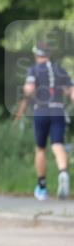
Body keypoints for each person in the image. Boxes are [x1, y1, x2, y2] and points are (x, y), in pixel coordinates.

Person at [22, 43, 73, 200]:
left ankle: (42, 186)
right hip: (58, 110)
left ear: (38, 55)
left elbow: (29, 89)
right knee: (58, 145)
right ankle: (63, 172)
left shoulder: (34, 70)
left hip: (41, 110)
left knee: (41, 149)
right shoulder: (61, 70)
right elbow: (72, 92)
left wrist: (27, 92)